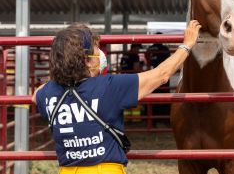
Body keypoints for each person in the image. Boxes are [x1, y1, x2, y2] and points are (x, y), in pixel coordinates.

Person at [32, 21, 200, 174]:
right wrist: (186, 45)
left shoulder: (47, 94)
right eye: (97, 48)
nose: (100, 53)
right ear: (87, 60)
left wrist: (62, 72)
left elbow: (35, 95)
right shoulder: (109, 86)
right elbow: (161, 75)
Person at [145, 32, 172, 126]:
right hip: (163, 74)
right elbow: (168, 61)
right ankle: (164, 119)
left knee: (152, 97)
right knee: (164, 97)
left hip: (152, 75)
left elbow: (147, 61)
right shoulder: (165, 49)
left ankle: (153, 121)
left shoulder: (149, 49)